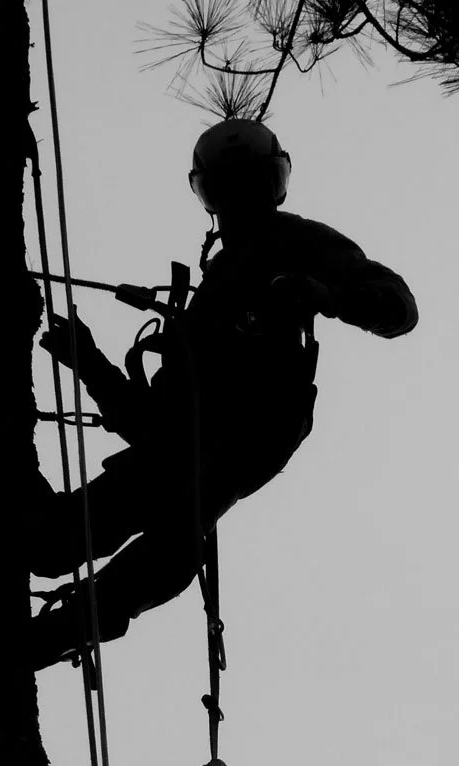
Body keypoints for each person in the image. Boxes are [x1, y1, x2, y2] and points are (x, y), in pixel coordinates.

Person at [28, 117, 418, 668]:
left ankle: (76, 622)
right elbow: (149, 422)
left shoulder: (295, 241)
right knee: (51, 547)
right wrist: (87, 361)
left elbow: (399, 308)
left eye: (247, 186)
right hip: (188, 439)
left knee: (176, 532)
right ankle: (68, 620)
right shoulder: (213, 292)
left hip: (246, 432)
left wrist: (325, 295)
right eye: (229, 188)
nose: (239, 202)